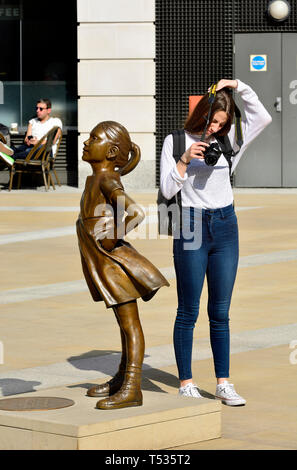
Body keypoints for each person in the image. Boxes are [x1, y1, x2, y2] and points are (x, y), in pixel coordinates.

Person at [160, 79, 272, 406]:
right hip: (191, 224)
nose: (217, 127)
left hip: (225, 225)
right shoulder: (175, 140)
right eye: (213, 120)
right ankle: (186, 382)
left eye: (223, 123)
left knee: (220, 312)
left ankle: (223, 383)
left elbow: (262, 117)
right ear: (202, 113)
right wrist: (183, 160)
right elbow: (168, 190)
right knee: (188, 310)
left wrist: (237, 85)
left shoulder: (229, 142)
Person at [76, 121, 169, 409]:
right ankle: (121, 377)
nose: (86, 142)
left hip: (113, 261)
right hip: (101, 261)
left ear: (111, 150)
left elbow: (134, 212)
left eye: (94, 138)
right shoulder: (97, 178)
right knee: (122, 321)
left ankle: (132, 386)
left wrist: (110, 236)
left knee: (130, 324)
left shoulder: (106, 180)